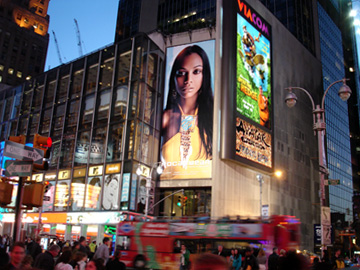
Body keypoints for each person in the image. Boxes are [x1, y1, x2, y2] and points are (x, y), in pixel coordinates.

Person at [161, 44, 213, 179]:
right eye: (181, 73)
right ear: (174, 77)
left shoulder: (213, 116)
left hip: (206, 189)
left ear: (204, 75)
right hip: (167, 187)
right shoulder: (165, 117)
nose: (188, 80)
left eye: (196, 72)